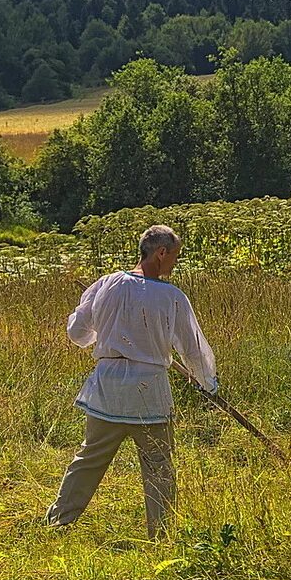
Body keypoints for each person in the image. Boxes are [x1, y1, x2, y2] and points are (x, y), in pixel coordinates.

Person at [44, 224, 219, 539]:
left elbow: (77, 333)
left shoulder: (107, 284)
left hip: (107, 389)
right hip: (148, 392)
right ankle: (161, 536)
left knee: (89, 459)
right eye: (174, 256)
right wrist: (207, 381)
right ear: (160, 253)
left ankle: (58, 522)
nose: (175, 263)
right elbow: (192, 347)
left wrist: (101, 326)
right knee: (159, 467)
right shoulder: (171, 297)